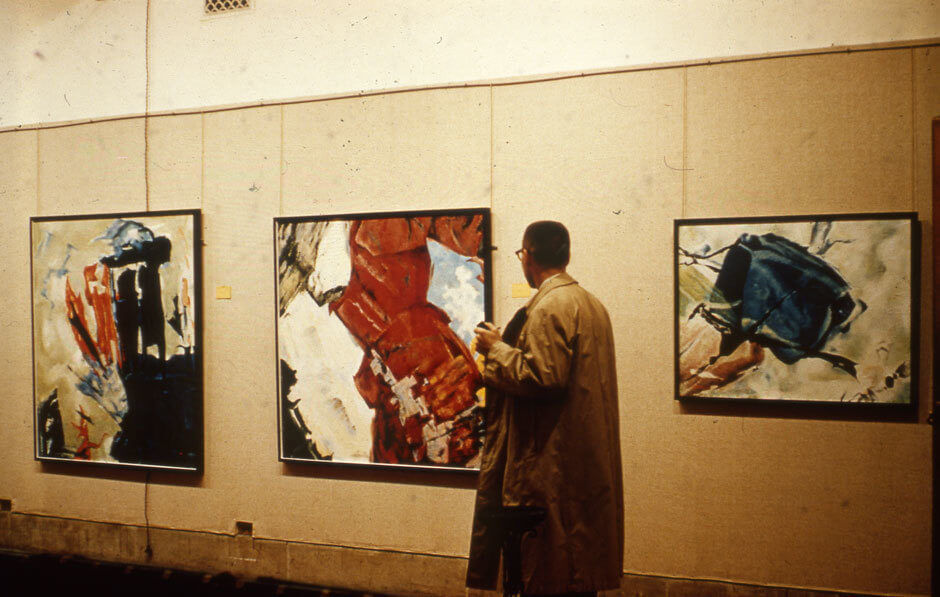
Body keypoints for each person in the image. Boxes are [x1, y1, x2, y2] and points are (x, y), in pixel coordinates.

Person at [466, 221, 624, 597]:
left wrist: (495, 348)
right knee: (577, 567)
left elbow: (543, 376)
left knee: (548, 568)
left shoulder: (550, 307)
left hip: (550, 465)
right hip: (580, 460)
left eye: (521, 254)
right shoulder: (591, 305)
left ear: (529, 255)